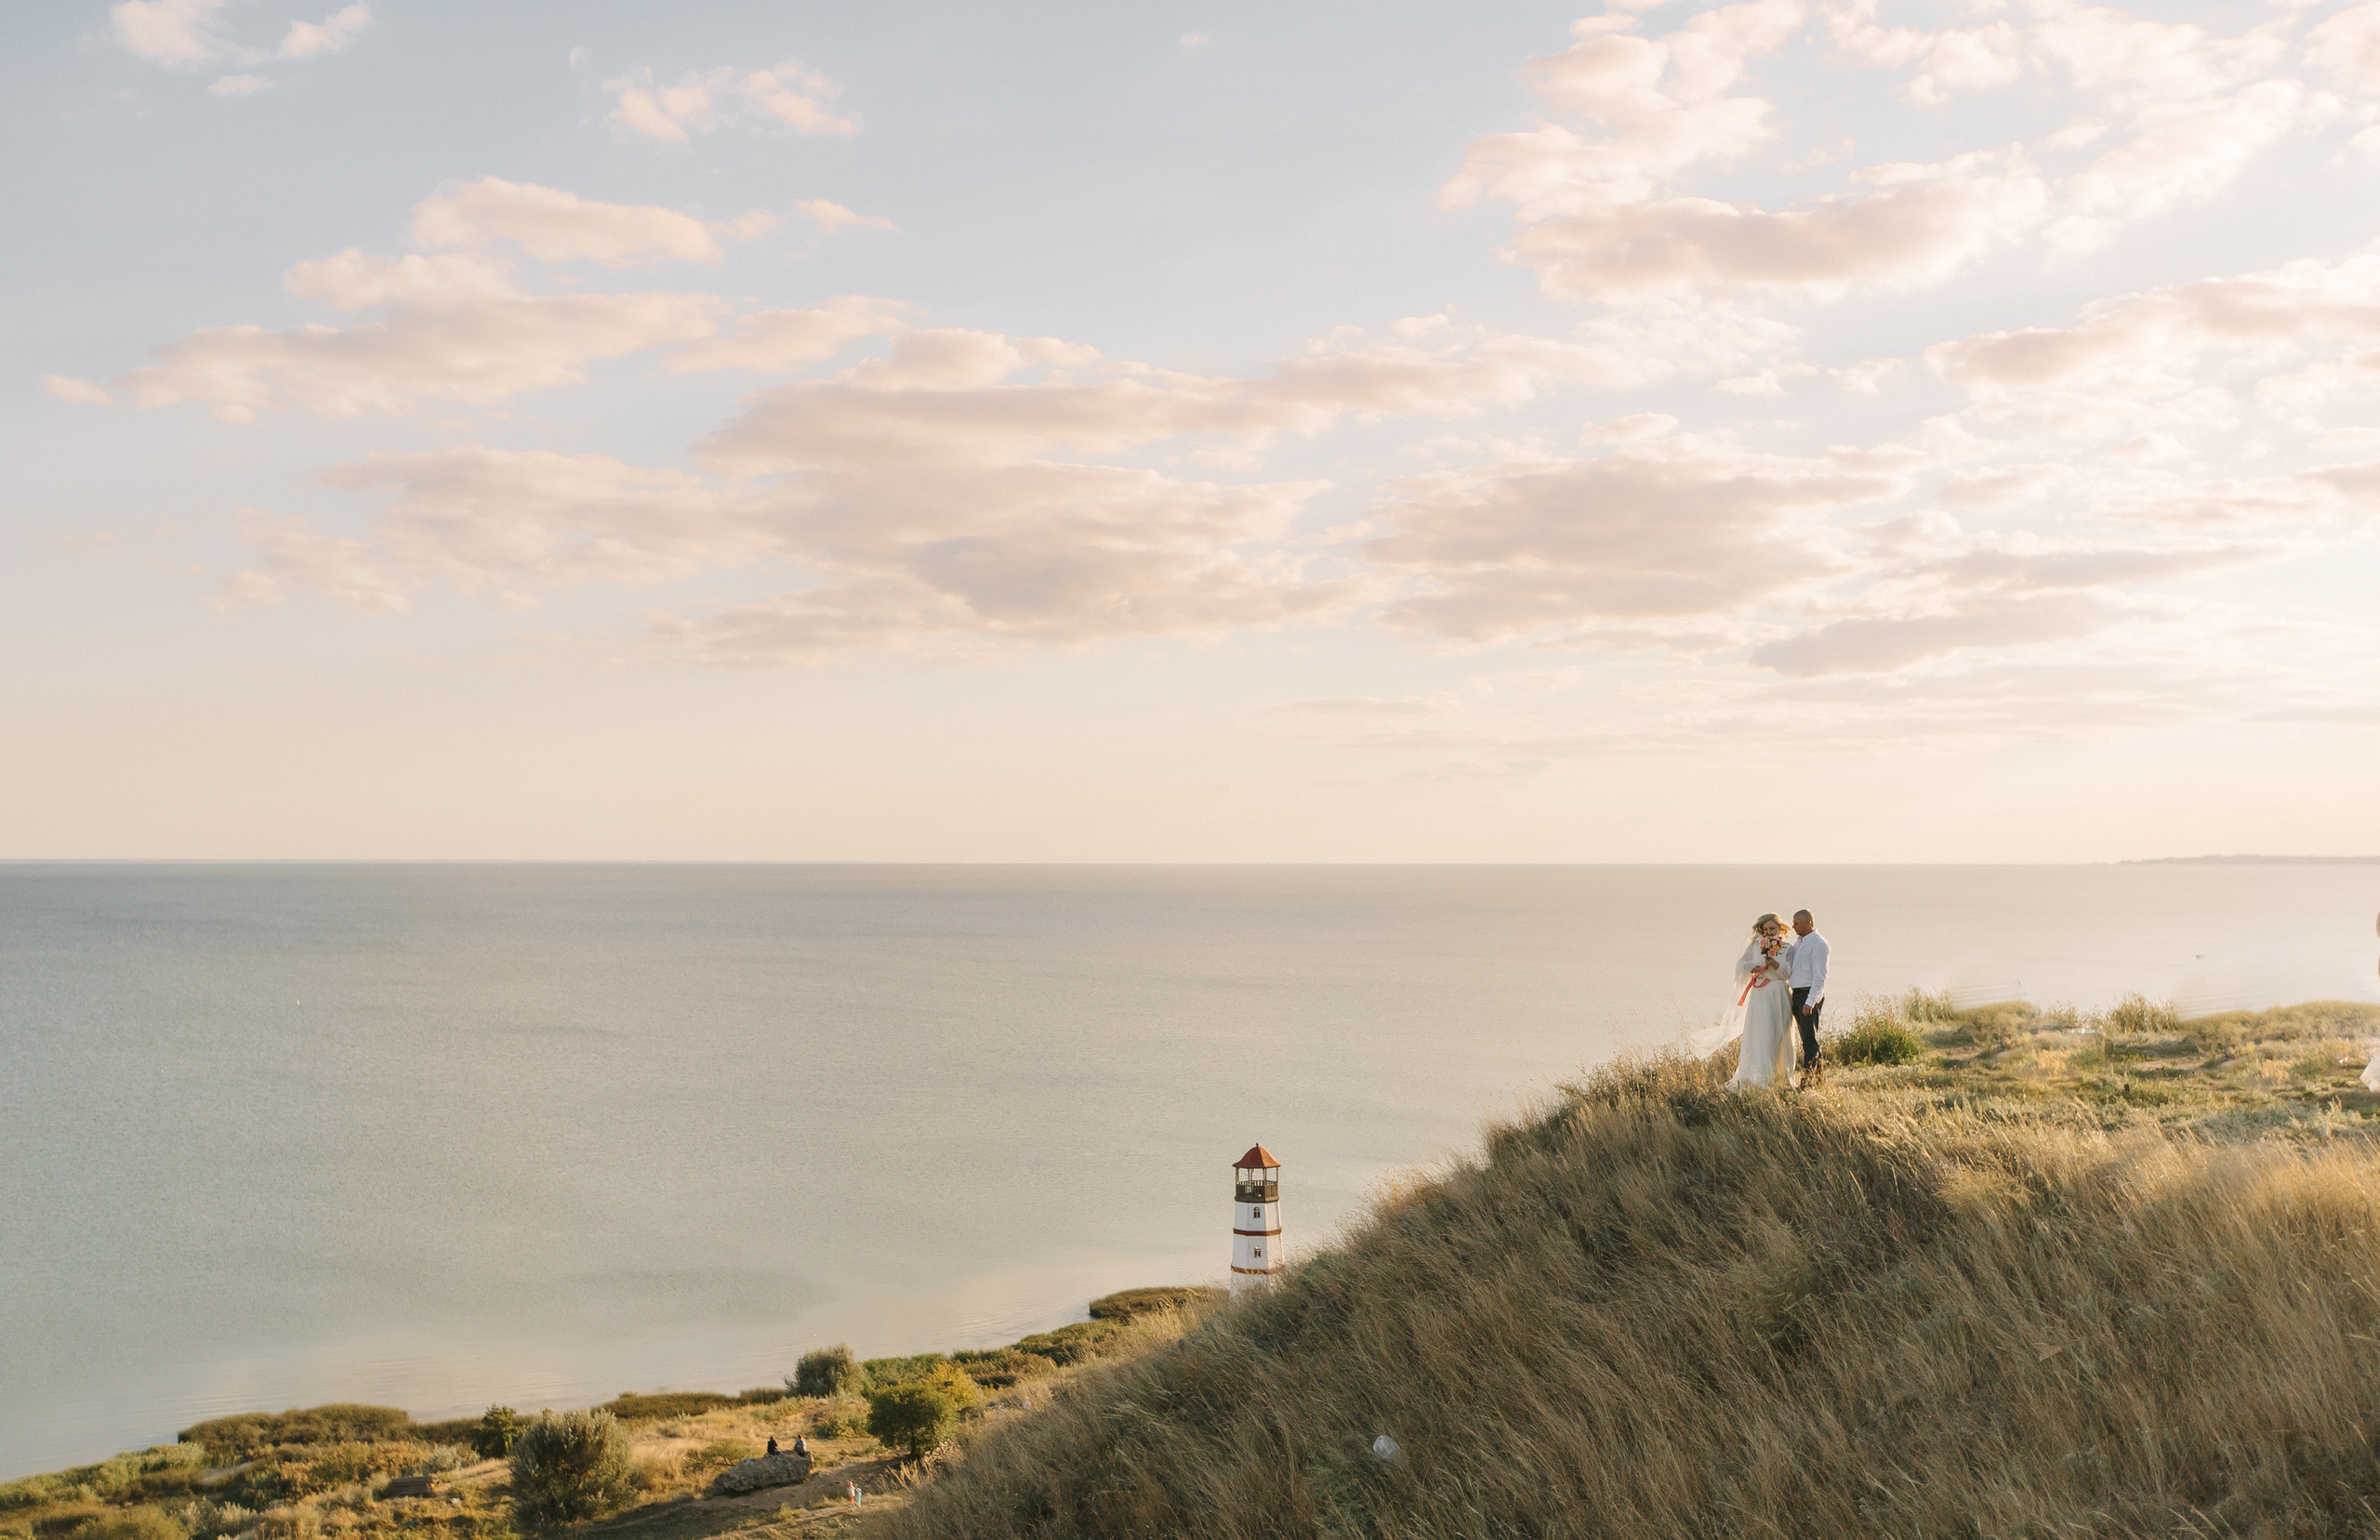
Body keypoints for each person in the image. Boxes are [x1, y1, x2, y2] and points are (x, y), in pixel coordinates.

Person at [1728, 913, 1799, 1089]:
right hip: (1760, 994)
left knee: (1779, 1032)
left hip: (1779, 992)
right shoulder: (1755, 946)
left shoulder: (1788, 948)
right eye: (1766, 929)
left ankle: (1779, 1074)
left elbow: (1787, 972)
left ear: (1779, 928)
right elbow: (1741, 965)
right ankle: (1758, 1074)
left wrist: (1774, 964)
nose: (1769, 932)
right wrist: (1753, 968)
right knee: (1762, 1031)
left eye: (1772, 928)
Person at [1789, 908, 1831, 1080]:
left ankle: (1809, 1079)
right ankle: (1818, 1078)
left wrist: (1810, 1001)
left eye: (1796, 923)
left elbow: (1820, 976)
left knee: (1809, 1039)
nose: (1793, 926)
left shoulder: (1818, 944)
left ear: (1809, 923)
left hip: (1808, 995)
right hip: (1797, 994)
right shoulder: (1799, 943)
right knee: (1806, 1038)